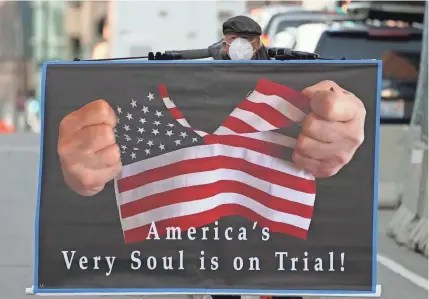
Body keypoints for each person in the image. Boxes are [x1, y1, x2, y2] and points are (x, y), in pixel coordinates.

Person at [57, 15, 366, 299]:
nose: (240, 48)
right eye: (233, 41)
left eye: (248, 40)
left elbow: (332, 107)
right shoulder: (195, 77)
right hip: (210, 244)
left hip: (273, 244)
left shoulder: (288, 80)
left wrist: (343, 116)